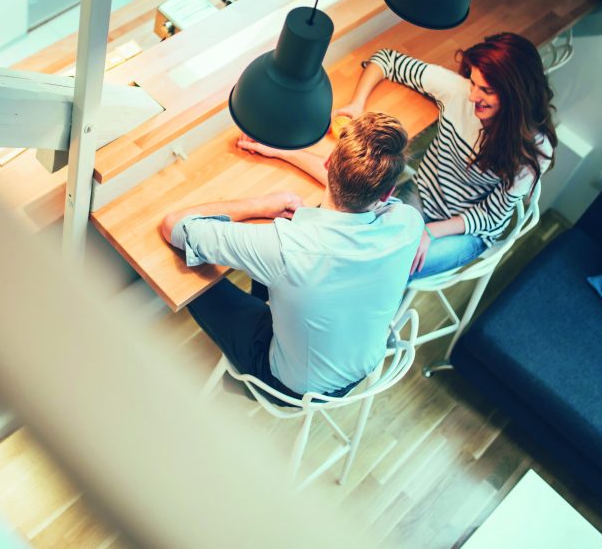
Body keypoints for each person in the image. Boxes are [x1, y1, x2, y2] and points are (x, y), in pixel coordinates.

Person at [240, 32, 556, 279]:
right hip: (418, 198)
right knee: (351, 187)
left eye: (486, 90)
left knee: (383, 265)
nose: (473, 95)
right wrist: (357, 104)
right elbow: (387, 60)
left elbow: (490, 217)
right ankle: (279, 149)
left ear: (515, 94)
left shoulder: (534, 149)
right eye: (473, 83)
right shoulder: (459, 92)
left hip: (464, 230)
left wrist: (427, 232)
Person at [160, 113, 422, 400]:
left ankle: (246, 383)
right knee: (273, 272)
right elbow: (357, 189)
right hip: (361, 364)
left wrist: (260, 205)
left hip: (292, 388)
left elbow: (175, 226)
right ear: (388, 194)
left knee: (190, 274)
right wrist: (279, 149)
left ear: (328, 163)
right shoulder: (408, 222)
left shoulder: (285, 247)